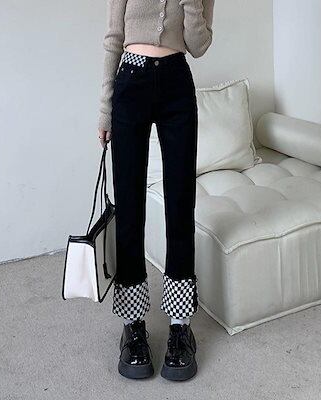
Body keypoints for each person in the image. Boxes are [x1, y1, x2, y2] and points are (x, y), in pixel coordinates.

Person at [97, 0, 215, 381]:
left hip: (177, 84)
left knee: (180, 205)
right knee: (130, 207)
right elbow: (114, 37)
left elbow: (199, 45)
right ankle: (133, 325)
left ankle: (181, 326)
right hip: (130, 83)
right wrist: (105, 109)